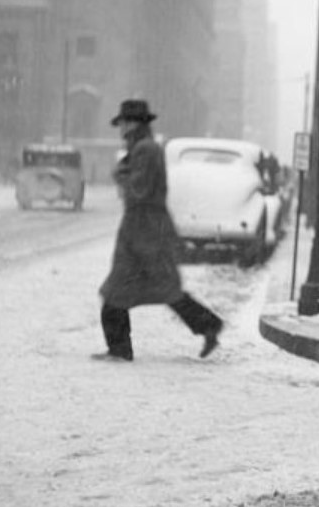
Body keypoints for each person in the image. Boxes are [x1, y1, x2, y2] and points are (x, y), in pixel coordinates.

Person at [93, 99, 224, 362]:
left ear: (134, 124)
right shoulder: (142, 148)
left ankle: (120, 349)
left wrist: (120, 175)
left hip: (144, 231)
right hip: (144, 229)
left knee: (119, 291)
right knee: (163, 288)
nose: (121, 128)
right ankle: (208, 325)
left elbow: (138, 190)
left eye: (124, 123)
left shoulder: (145, 150)